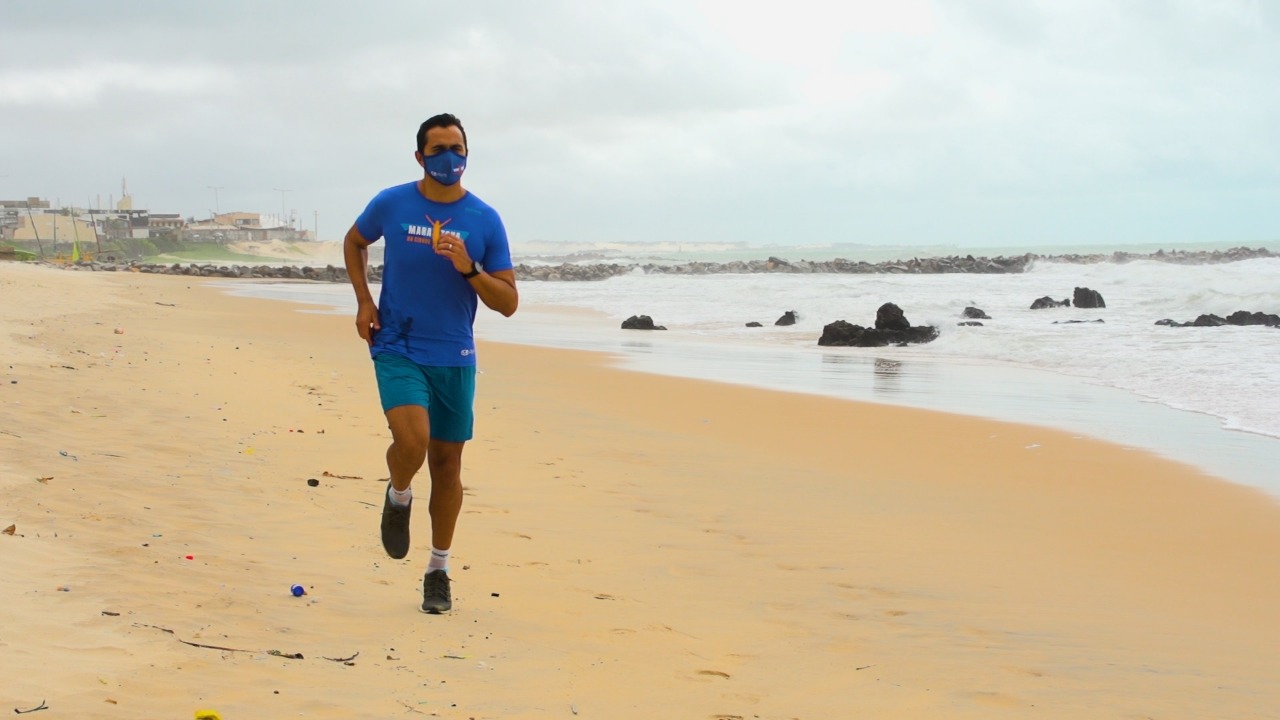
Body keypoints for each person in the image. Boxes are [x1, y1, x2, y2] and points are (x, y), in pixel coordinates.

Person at [343, 113, 518, 614]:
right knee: (412, 440)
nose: (449, 159)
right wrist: (363, 301)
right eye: (438, 149)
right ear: (420, 157)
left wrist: (468, 266)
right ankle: (399, 494)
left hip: (454, 354)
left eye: (457, 149)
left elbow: (507, 302)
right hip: (397, 341)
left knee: (446, 465)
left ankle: (438, 571)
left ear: (467, 156)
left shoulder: (484, 220)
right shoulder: (392, 203)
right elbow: (355, 242)